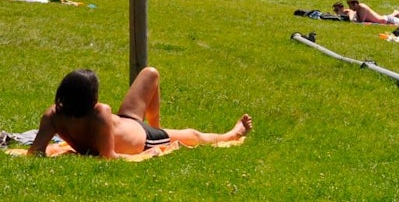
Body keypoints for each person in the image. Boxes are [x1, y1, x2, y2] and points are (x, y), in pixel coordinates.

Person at [28, 67, 252, 159]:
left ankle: (158, 125)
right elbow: (110, 157)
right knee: (194, 135)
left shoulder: (53, 115)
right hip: (144, 139)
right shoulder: (99, 112)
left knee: (150, 73)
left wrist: (57, 150)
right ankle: (232, 134)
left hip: (128, 122)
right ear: (91, 96)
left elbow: (35, 152)